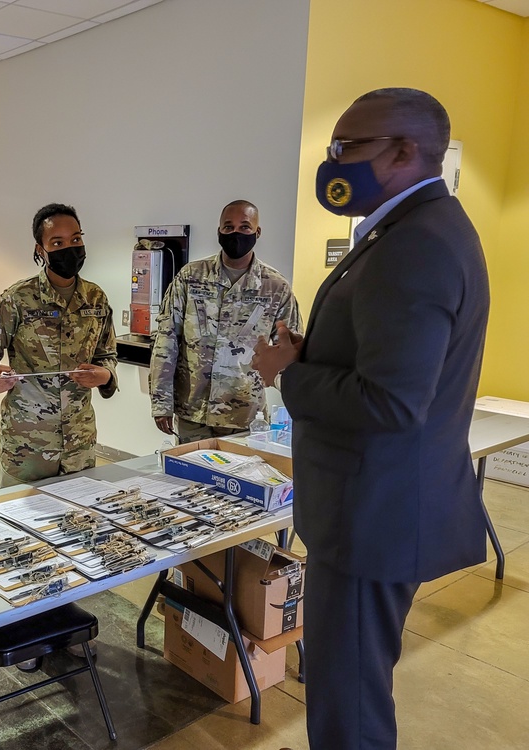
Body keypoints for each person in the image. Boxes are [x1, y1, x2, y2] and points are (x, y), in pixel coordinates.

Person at [253, 88, 490, 750]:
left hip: (372, 517)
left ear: (405, 151)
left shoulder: (414, 246)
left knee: (346, 702)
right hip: (374, 506)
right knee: (348, 686)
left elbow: (390, 402)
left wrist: (288, 372)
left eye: (347, 147)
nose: (332, 162)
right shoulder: (409, 231)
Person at [0, 202, 118, 488]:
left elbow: (107, 354)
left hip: (79, 441)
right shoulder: (17, 298)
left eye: (76, 239)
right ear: (41, 249)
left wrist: (105, 375)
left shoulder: (96, 299)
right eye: (57, 242)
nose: (70, 248)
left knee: (77, 521)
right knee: (17, 522)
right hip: (27, 445)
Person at [149, 200, 300, 442]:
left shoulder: (275, 287)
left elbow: (290, 352)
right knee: (190, 477)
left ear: (257, 232)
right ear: (219, 231)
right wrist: (161, 402)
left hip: (245, 415)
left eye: (245, 227)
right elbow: (166, 341)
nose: (236, 233)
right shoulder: (190, 277)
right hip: (193, 411)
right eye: (228, 228)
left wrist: (300, 407)